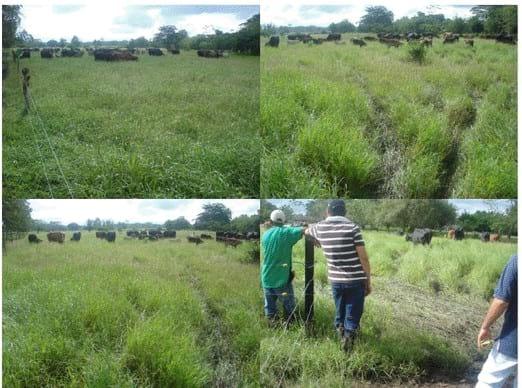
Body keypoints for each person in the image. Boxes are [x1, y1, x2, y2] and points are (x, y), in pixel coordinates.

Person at [305, 199, 371, 352]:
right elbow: (364, 258)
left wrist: (313, 238)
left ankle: (341, 332)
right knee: (353, 312)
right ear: (344, 212)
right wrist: (367, 280)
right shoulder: (353, 228)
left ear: (328, 212)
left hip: (335, 280)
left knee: (339, 309)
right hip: (355, 280)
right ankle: (348, 338)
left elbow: (306, 230)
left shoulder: (320, 227)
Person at [476, 255, 517, 388]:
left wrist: (485, 327)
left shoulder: (517, 260)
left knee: (488, 382)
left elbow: (501, 301)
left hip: (513, 341)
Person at [261, 209, 304, 326]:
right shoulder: (287, 233)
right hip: (281, 279)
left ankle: (272, 326)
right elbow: (303, 230)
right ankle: (291, 326)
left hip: (266, 278)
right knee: (289, 307)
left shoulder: (265, 235)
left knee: (270, 308)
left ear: (271, 221)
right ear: (284, 221)